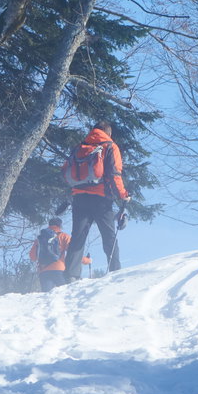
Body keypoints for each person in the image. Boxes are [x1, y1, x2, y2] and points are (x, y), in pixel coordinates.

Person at [62, 120, 130, 280]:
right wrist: (123, 195)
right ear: (108, 132)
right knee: (109, 236)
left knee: (78, 235)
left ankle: (70, 275)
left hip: (79, 197)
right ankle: (115, 272)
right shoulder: (110, 146)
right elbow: (114, 175)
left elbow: (68, 171)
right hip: (101, 199)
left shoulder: (80, 147)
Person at [29, 217, 72, 290]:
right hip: (59, 269)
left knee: (47, 298)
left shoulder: (40, 239)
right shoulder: (64, 236)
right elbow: (73, 252)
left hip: (44, 271)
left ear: (49, 225)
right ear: (60, 226)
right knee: (65, 295)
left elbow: (32, 256)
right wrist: (87, 260)